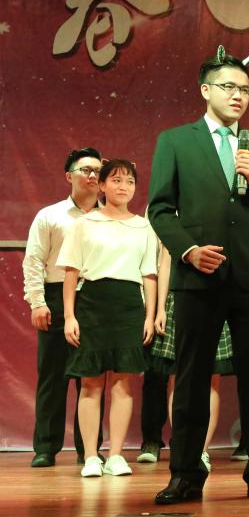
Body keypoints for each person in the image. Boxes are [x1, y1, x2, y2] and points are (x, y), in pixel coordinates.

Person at [147, 45, 249, 503]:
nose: (238, 96)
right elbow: (159, 209)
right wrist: (188, 251)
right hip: (198, 279)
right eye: (229, 87)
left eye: (246, 90)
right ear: (205, 90)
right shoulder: (175, 141)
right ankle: (186, 474)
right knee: (191, 379)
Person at [59, 159, 159, 478]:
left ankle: (116, 455)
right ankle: (91, 456)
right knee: (90, 383)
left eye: (129, 181)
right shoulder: (84, 223)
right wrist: (69, 316)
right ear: (101, 185)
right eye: (116, 180)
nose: (123, 186)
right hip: (92, 304)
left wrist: (150, 315)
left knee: (122, 382)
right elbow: (71, 272)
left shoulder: (144, 226)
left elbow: (150, 274)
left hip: (129, 306)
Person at [23, 147, 104, 468]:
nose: (92, 175)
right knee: (52, 376)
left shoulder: (110, 217)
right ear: (69, 176)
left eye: (97, 170)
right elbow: (33, 261)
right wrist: (38, 302)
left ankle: (90, 450)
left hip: (96, 299)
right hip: (56, 297)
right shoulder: (50, 215)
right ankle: (46, 447)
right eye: (85, 170)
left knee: (92, 378)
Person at [148, 243, 234, 473]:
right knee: (178, 376)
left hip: (217, 298)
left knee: (212, 378)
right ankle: (183, 447)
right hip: (180, 299)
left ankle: (202, 450)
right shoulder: (176, 224)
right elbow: (166, 265)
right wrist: (160, 309)